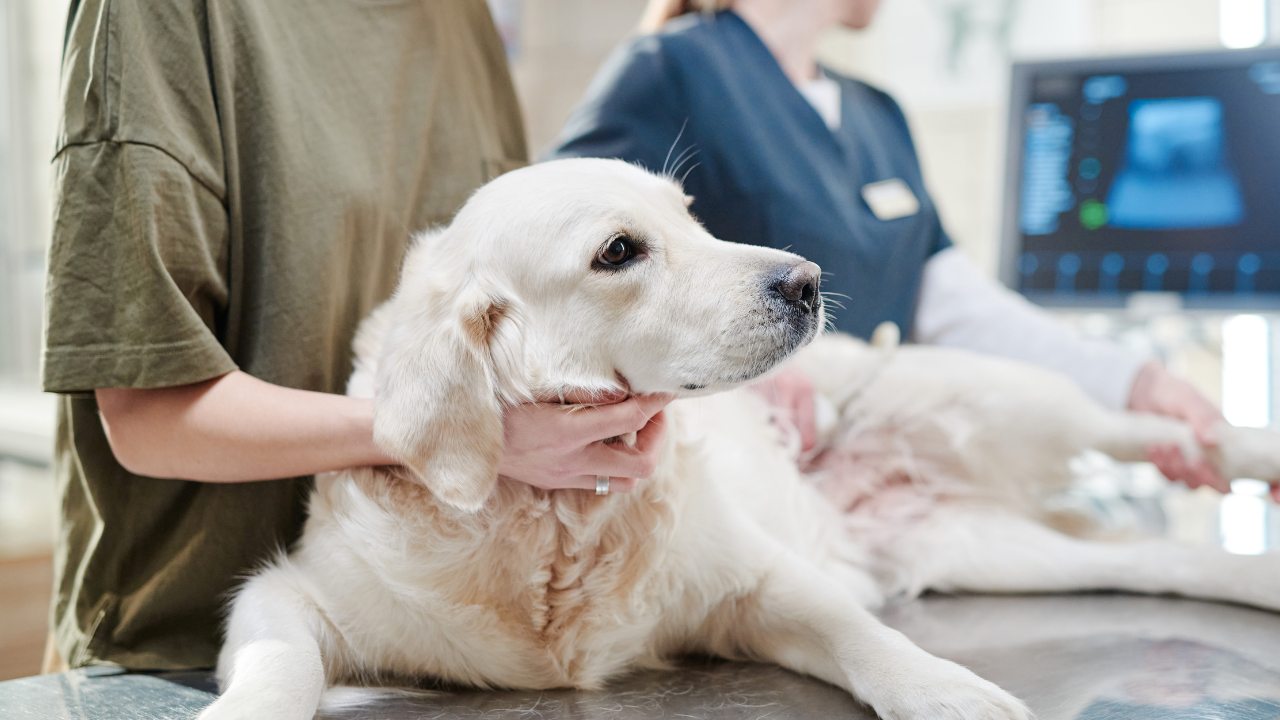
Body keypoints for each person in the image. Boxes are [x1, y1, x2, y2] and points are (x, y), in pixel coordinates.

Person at [41, 0, 669, 672]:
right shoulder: (158, 16)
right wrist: (448, 431)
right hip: (185, 657)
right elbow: (148, 418)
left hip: (438, 646)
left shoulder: (462, 20)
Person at [548, 0, 1234, 493]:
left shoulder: (877, 111)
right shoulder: (670, 69)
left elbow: (956, 305)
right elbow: (557, 275)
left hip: (880, 482)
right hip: (746, 494)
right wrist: (750, 372)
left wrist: (1136, 383)